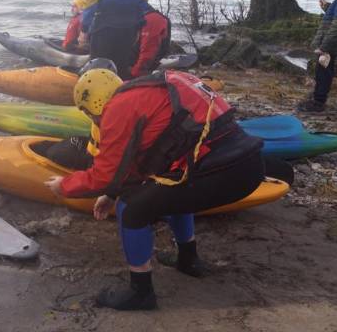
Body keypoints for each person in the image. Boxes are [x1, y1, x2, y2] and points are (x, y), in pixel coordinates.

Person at [44, 67, 265, 311]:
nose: (95, 121)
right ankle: (188, 260)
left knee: (132, 208)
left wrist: (64, 186)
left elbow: (104, 175)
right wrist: (111, 192)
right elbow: (142, 163)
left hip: (223, 171)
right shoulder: (150, 89)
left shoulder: (117, 109)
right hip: (249, 163)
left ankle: (141, 293)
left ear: (92, 105)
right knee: (172, 187)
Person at [130, 5, 171, 78]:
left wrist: (135, 72)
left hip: (142, 72)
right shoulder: (138, 16)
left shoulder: (151, 19)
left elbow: (148, 51)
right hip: (133, 68)